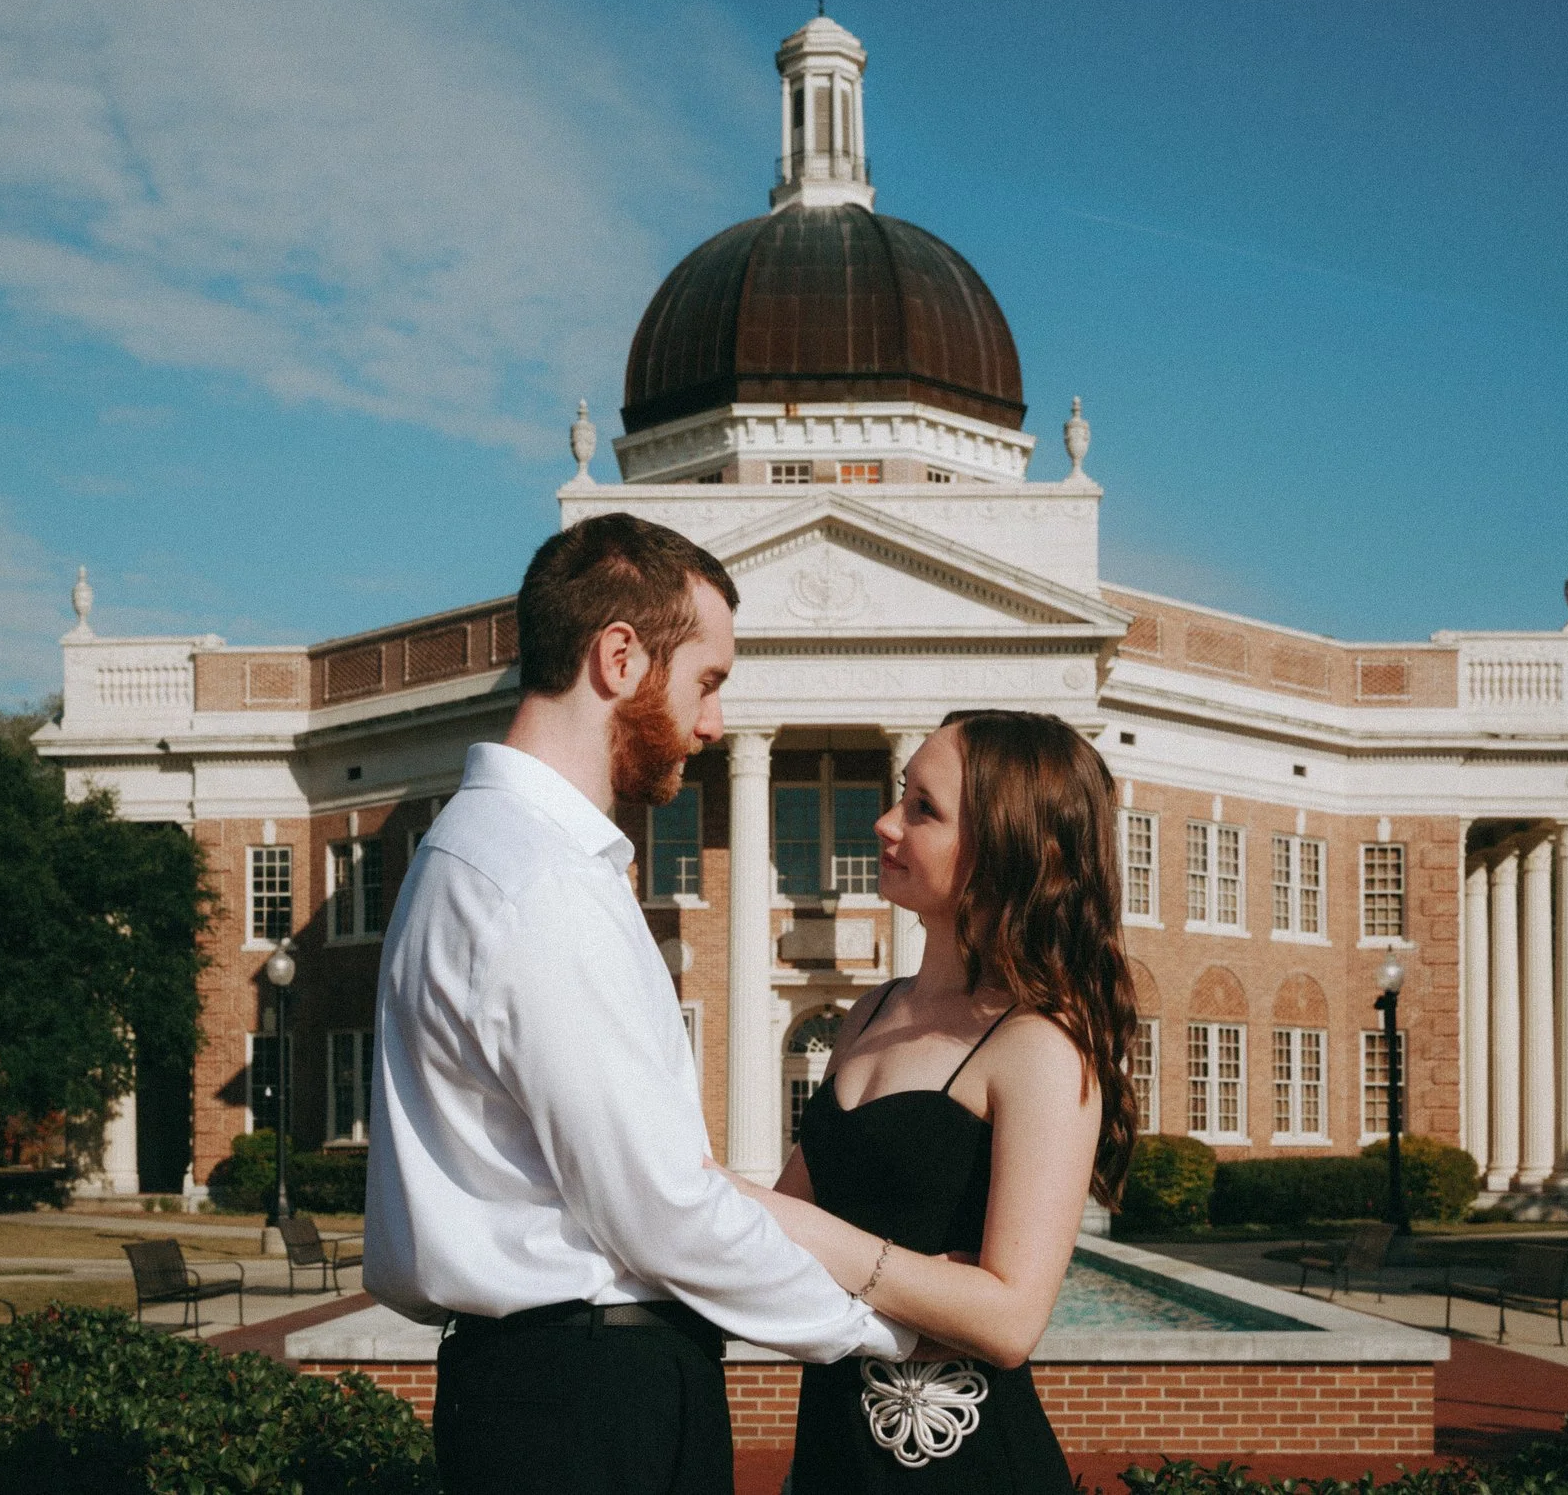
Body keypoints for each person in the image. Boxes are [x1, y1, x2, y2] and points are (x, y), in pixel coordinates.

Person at [364, 512, 916, 1495]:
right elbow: (658, 1208)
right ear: (619, 657)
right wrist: (879, 1331)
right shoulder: (541, 883)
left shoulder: (475, 851)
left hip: (540, 1388)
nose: (711, 725)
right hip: (589, 1399)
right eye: (706, 682)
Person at [725, 710, 1139, 1491]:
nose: (884, 824)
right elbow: (771, 1253)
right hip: (830, 1458)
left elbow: (1010, 1322)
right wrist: (920, 1294)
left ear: (1004, 849)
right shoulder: (865, 1016)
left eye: (923, 808)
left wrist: (811, 1235)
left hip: (971, 1466)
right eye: (899, 797)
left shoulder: (1039, 1046)